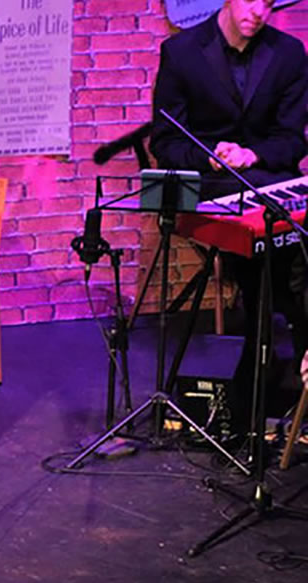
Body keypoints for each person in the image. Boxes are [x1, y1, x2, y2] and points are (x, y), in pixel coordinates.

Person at [150, 0, 308, 421]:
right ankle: (273, 362)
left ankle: (270, 369)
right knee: (281, 263)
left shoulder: (289, 53)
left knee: (284, 251)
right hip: (211, 186)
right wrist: (211, 159)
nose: (259, 11)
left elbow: (293, 142)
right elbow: (164, 143)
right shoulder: (181, 54)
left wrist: (252, 153)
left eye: (269, 3)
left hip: (268, 180)